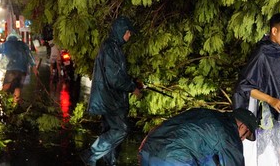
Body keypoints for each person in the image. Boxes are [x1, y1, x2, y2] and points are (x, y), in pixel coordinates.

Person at [232, 12, 280, 166]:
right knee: (269, 157)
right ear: (274, 31)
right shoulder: (262, 53)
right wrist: (270, 100)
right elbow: (244, 87)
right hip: (268, 116)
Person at [82, 16, 143, 166]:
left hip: (110, 97)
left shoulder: (113, 47)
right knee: (121, 129)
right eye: (128, 32)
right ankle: (91, 154)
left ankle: (110, 162)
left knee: (110, 130)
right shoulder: (110, 48)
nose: (129, 35)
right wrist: (132, 88)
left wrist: (133, 82)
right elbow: (114, 78)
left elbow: (117, 74)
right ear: (121, 31)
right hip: (111, 99)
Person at [138, 108, 258, 166]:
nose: (242, 139)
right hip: (173, 160)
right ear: (243, 127)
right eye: (245, 136)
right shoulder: (229, 134)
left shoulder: (203, 113)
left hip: (147, 151)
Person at [0, 33, 37, 103]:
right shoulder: (23, 44)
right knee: (18, 87)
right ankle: (15, 104)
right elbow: (29, 55)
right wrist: (34, 67)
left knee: (6, 86)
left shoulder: (4, 45)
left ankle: (3, 102)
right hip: (23, 70)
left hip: (11, 69)